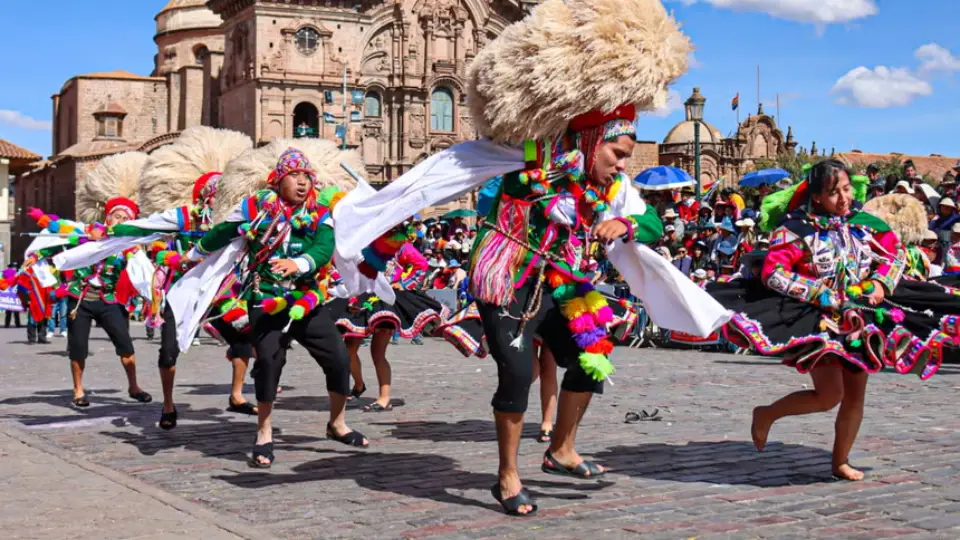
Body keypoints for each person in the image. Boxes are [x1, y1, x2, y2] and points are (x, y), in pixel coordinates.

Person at [708, 159, 959, 482]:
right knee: (829, 396)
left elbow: (894, 256)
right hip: (819, 317)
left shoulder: (866, 222)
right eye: (833, 193)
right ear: (816, 196)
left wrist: (881, 283)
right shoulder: (796, 229)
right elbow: (773, 273)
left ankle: (840, 460)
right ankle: (767, 414)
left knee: (856, 393)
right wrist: (820, 293)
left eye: (846, 189)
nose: (843, 198)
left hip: (864, 314)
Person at [176, 148, 370, 466]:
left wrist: (298, 263)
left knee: (338, 359)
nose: (302, 182)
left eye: (307, 176)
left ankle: (337, 423)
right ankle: (264, 432)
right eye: (294, 176)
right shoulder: (256, 209)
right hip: (265, 300)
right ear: (278, 181)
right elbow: (223, 231)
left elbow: (324, 248)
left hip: (306, 300)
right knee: (269, 363)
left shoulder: (321, 212)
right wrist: (195, 253)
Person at [328, 232, 445, 412]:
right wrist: (343, 282)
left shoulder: (396, 241)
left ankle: (384, 398)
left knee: (377, 351)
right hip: (358, 297)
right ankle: (358, 385)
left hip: (385, 300)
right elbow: (335, 262)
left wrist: (404, 283)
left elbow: (421, 264)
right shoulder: (356, 239)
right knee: (348, 348)